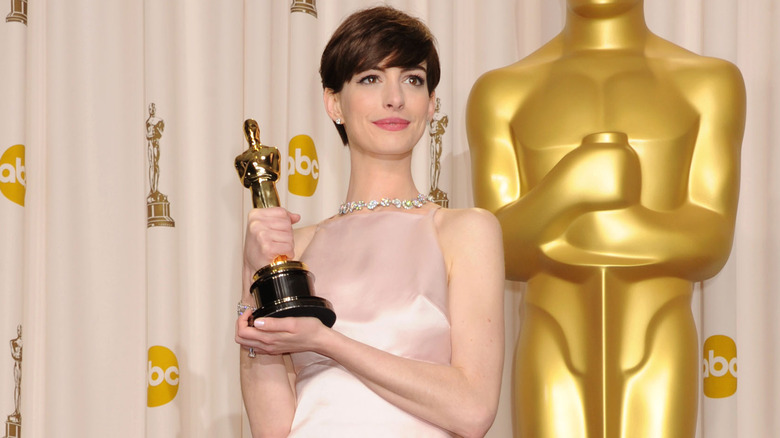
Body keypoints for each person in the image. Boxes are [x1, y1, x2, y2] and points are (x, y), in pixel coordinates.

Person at [466, 0, 745, 437]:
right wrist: (571, 186)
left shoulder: (707, 83)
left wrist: (587, 230)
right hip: (550, 342)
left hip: (660, 342)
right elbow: (498, 251)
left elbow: (711, 240)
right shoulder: (503, 92)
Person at [235, 6, 505, 437]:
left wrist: (325, 341)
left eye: (412, 79)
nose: (394, 97)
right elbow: (272, 428)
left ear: (432, 104)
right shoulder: (296, 248)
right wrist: (252, 273)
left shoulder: (464, 232)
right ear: (333, 102)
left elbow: (472, 410)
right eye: (370, 78)